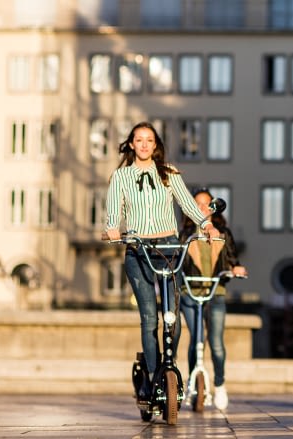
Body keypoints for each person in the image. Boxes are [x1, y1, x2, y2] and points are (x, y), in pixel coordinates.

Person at [104, 121, 220, 401]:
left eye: (149, 140)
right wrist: (112, 228)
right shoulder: (121, 176)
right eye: (139, 140)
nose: (144, 144)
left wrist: (207, 225)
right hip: (137, 248)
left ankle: (169, 364)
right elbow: (113, 210)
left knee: (171, 317)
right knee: (149, 318)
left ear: (155, 145)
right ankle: (153, 376)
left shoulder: (169, 173)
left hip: (168, 247)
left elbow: (188, 204)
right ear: (131, 144)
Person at [174, 188, 247, 410]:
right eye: (197, 203)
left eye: (206, 203)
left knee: (216, 343)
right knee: (196, 339)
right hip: (190, 291)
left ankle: (220, 384)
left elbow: (232, 258)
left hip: (215, 291)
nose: (202, 207)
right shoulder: (186, 234)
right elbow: (177, 262)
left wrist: (236, 268)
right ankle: (193, 384)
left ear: (213, 207)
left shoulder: (223, 232)